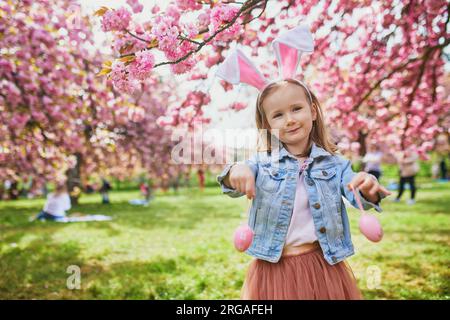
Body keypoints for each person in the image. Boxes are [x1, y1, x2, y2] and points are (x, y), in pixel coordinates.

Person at [216, 25, 391, 300]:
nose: (290, 119)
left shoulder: (334, 164)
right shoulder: (262, 164)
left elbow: (353, 188)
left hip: (321, 267)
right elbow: (232, 180)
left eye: (296, 109)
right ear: (267, 124)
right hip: (273, 269)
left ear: (312, 111)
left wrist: (367, 186)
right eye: (278, 115)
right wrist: (235, 172)